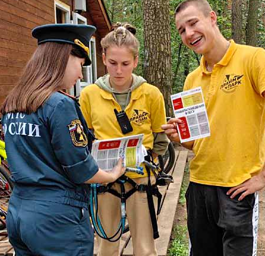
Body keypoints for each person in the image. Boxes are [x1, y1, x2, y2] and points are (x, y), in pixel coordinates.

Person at [162, 1, 265, 255]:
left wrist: (264, 175)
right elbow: (196, 142)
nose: (188, 34)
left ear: (212, 18)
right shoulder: (192, 79)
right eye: (182, 30)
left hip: (237, 190)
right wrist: (181, 135)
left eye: (193, 23)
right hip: (198, 187)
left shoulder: (253, 58)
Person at [1, 24, 125, 256]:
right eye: (79, 65)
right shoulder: (59, 105)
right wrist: (112, 174)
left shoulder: (14, 102)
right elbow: (81, 169)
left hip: (19, 211)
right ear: (63, 58)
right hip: (56, 218)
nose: (80, 74)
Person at [79, 23, 169, 256]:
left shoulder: (151, 94)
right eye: (112, 63)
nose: (119, 70)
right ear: (103, 58)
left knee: (144, 248)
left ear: (136, 61)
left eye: (125, 64)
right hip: (104, 179)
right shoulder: (90, 95)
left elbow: (161, 138)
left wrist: (151, 161)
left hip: (141, 177)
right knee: (106, 245)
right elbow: (85, 138)